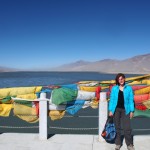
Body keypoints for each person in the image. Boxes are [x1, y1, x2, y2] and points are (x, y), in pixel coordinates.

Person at [109, 73, 135, 150]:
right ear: (117, 80)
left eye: (122, 78)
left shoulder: (129, 88)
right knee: (117, 127)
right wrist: (110, 110)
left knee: (127, 128)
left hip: (126, 110)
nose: (121, 80)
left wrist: (132, 111)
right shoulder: (114, 89)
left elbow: (131, 100)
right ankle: (118, 143)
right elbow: (112, 100)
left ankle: (129, 144)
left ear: (124, 79)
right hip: (116, 110)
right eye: (119, 79)